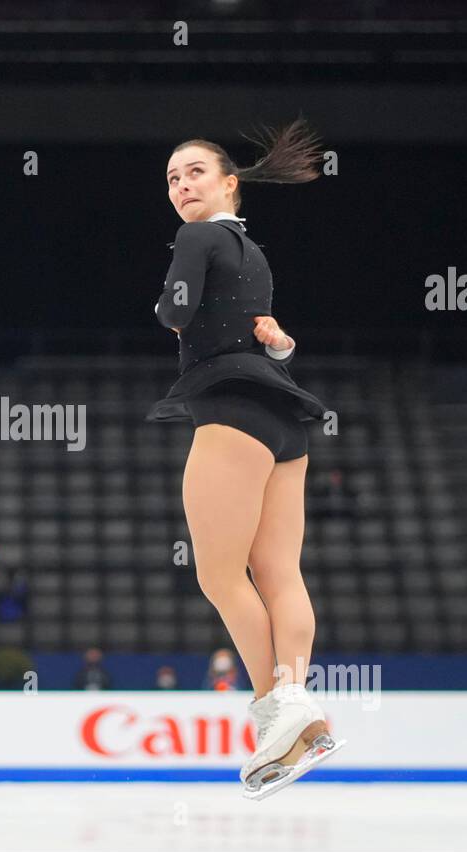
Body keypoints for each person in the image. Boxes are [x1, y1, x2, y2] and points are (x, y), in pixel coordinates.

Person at [144, 119, 339, 797]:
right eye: (171, 178)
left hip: (232, 408)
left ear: (230, 183)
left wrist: (169, 299)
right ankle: (298, 709)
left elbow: (176, 312)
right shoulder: (253, 252)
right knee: (278, 570)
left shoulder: (196, 238)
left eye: (194, 171)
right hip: (284, 419)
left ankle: (277, 709)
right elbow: (264, 339)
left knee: (220, 575)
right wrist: (281, 347)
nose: (180, 185)